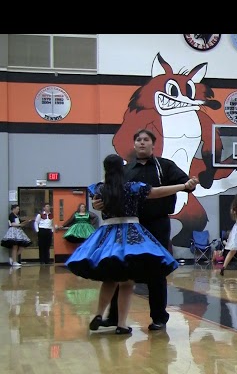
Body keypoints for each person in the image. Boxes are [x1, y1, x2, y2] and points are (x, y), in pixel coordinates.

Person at [65, 153, 199, 335]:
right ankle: (121, 324)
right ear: (122, 169)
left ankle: (98, 314)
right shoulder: (132, 188)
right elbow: (158, 192)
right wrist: (183, 186)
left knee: (110, 279)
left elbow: (97, 203)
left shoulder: (100, 189)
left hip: (108, 235)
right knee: (127, 282)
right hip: (131, 234)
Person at [95, 128, 194, 331]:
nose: (141, 142)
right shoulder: (126, 169)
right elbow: (110, 194)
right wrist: (100, 203)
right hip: (130, 226)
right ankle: (114, 318)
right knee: (120, 270)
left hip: (157, 224)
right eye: (138, 139)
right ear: (134, 144)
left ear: (153, 144)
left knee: (156, 270)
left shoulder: (165, 166)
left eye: (146, 139)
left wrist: (189, 184)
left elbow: (186, 183)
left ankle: (159, 317)